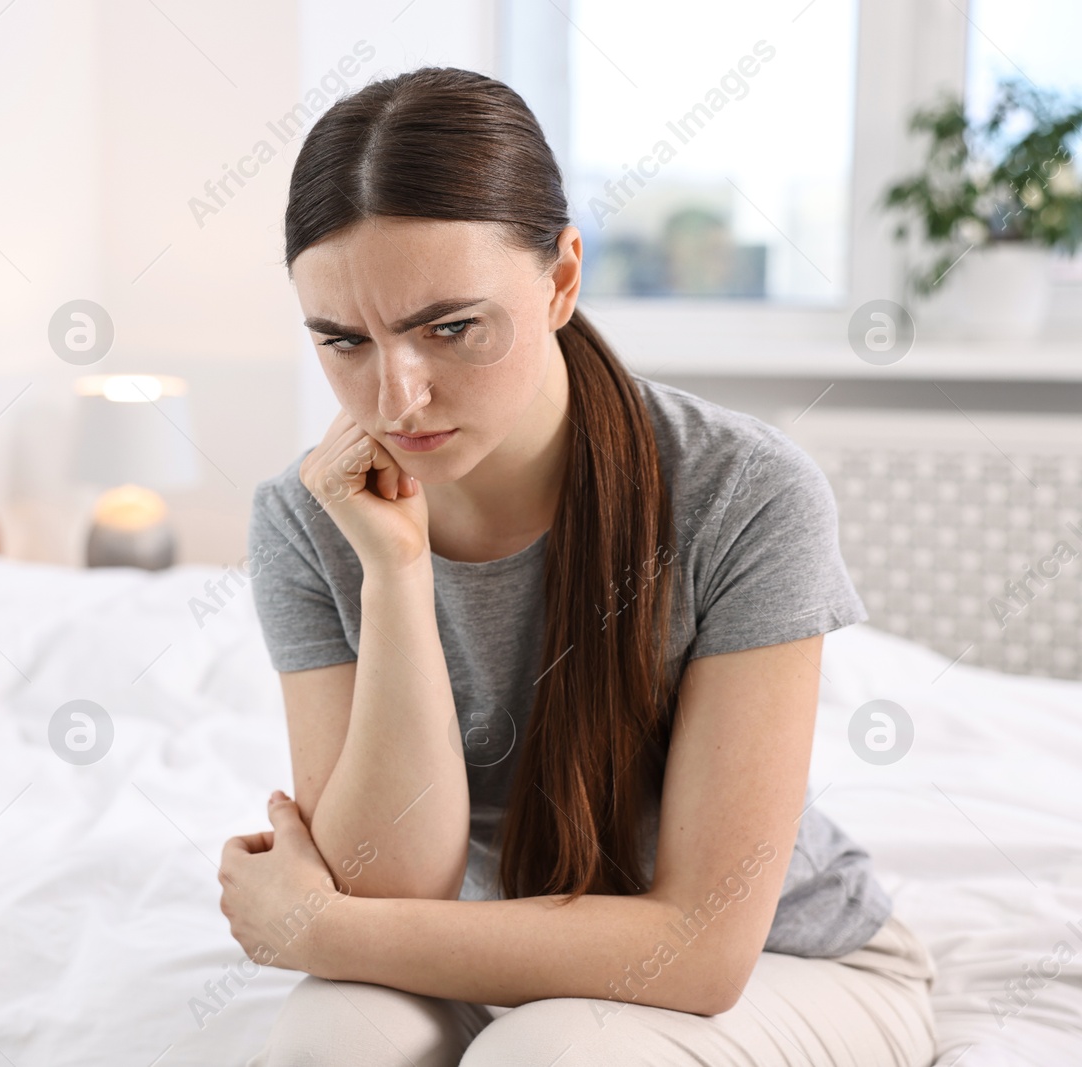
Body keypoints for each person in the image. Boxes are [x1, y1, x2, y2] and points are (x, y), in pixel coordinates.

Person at [217, 68, 937, 1066]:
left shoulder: (745, 490)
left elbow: (700, 946)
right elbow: (389, 885)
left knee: (553, 1055)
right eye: (342, 341)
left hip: (785, 958)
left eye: (450, 327)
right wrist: (394, 575)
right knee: (326, 1039)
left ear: (560, 279)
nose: (396, 395)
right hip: (483, 945)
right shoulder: (307, 517)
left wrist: (314, 927)